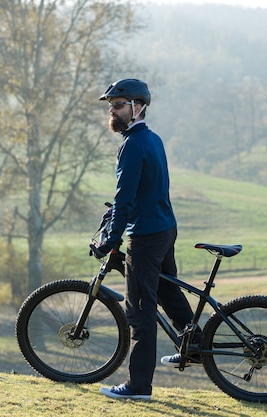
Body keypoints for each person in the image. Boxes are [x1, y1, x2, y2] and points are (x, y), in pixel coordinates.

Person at [93, 79, 199, 400]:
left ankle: (138, 386)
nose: (113, 111)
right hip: (164, 228)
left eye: (119, 105)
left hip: (146, 236)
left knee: (140, 311)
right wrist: (121, 214)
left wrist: (111, 238)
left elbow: (125, 199)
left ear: (138, 107)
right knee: (169, 292)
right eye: (111, 105)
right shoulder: (152, 140)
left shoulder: (132, 146)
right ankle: (194, 346)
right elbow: (147, 189)